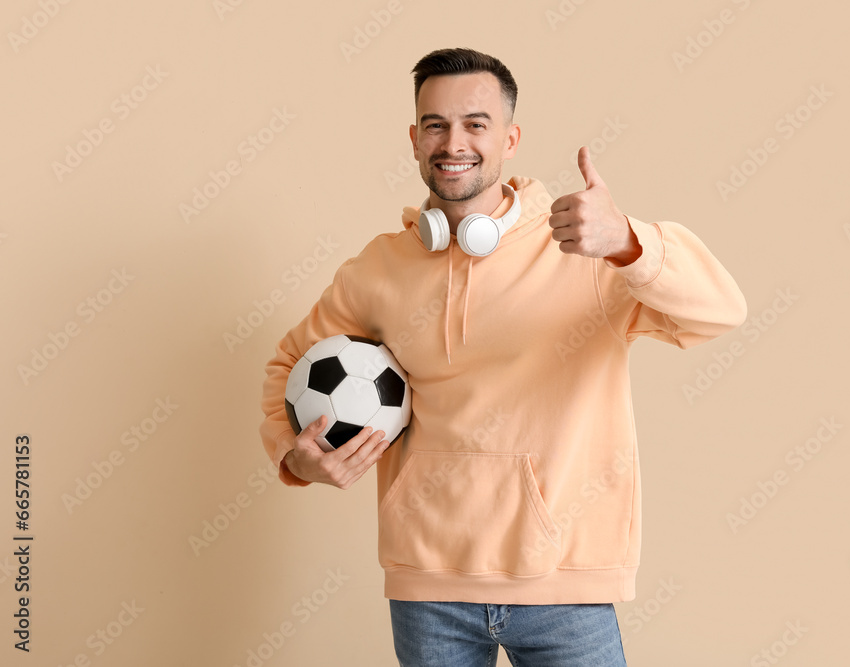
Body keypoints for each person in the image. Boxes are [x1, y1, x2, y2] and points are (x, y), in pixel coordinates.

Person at [259, 47, 747, 666]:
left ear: (511, 138)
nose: (452, 141)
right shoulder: (376, 269)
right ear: (414, 139)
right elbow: (288, 365)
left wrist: (629, 241)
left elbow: (720, 311)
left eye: (475, 124)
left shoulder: (586, 245)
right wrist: (297, 460)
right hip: (426, 589)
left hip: (565, 586)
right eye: (435, 124)